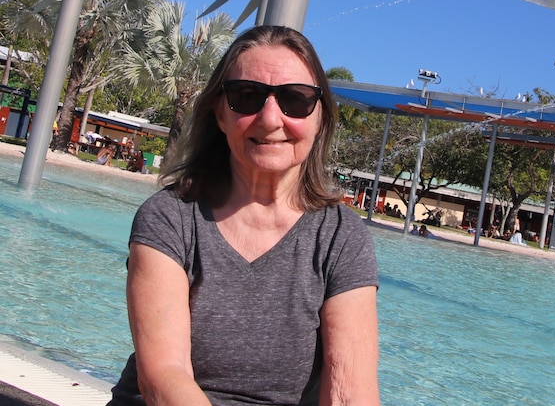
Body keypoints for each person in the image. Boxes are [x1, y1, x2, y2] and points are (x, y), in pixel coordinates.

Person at [108, 26, 380, 405]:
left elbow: (350, 394)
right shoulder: (170, 218)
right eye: (246, 97)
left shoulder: (341, 238)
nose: (270, 120)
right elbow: (163, 377)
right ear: (219, 113)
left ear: (319, 119)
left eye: (296, 100)